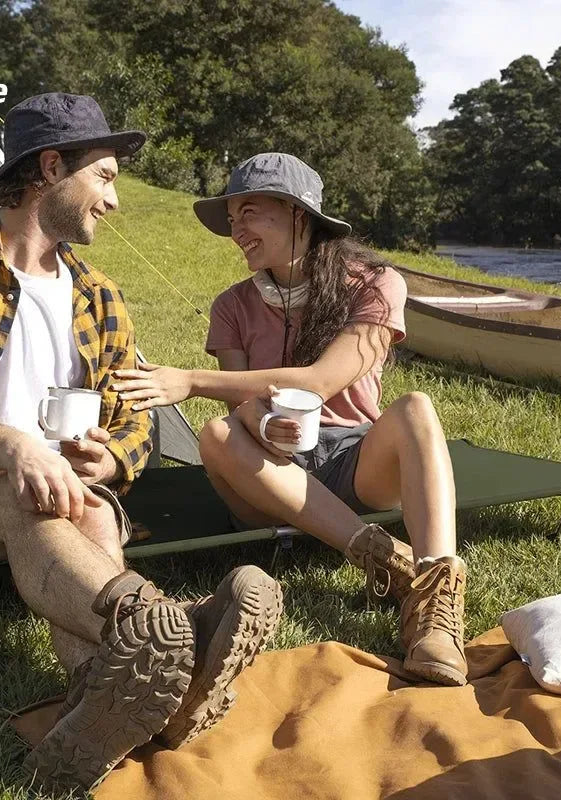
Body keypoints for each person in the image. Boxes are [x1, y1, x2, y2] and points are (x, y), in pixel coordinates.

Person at [0, 96, 282, 792]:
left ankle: (105, 696)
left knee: (94, 510)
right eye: (103, 177)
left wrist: (113, 456)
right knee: (31, 494)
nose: (113, 200)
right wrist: (15, 449)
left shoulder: (99, 296)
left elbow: (135, 414)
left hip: (60, 487)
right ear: (50, 168)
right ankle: (169, 627)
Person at [111, 152, 468, 687]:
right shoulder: (231, 306)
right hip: (271, 477)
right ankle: (383, 559)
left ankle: (435, 603)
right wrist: (262, 425)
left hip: (354, 461)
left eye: (250, 212)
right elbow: (240, 408)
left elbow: (321, 381)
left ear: (299, 214)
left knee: (416, 407)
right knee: (217, 434)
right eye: (232, 218)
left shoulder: (375, 284)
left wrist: (189, 380)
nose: (237, 230)